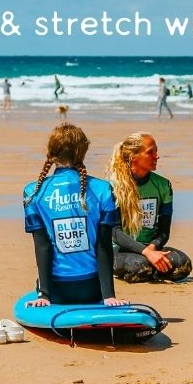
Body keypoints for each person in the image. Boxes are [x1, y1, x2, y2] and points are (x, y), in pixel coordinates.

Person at [22, 123, 125, 307]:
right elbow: (103, 246)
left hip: (57, 292)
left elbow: (43, 246)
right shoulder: (103, 189)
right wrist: (108, 296)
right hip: (93, 290)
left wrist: (44, 295)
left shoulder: (33, 192)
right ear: (82, 152)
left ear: (51, 153)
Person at [107, 133, 192, 283]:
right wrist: (146, 252)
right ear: (133, 157)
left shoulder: (163, 185)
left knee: (183, 265)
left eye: (156, 151)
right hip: (118, 249)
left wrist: (153, 248)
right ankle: (142, 268)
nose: (156, 156)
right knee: (142, 266)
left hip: (150, 247)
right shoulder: (112, 187)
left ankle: (150, 267)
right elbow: (115, 233)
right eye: (150, 152)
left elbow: (164, 231)